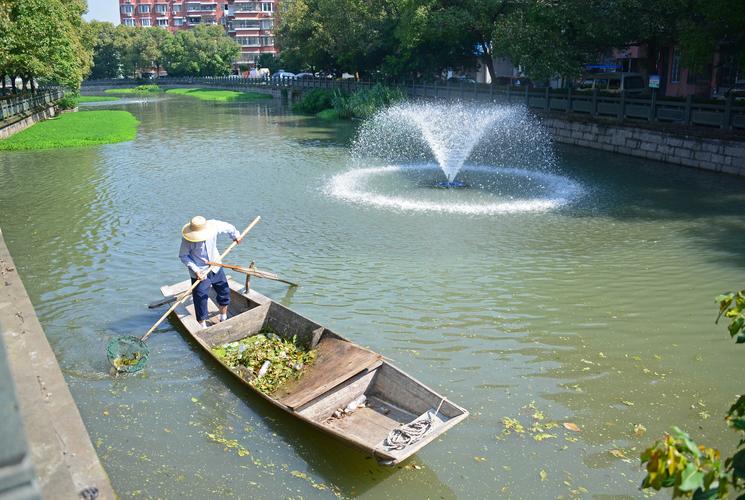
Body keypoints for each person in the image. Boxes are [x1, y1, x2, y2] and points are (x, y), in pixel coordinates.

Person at [179, 216, 242, 328]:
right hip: (200, 272)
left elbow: (228, 227)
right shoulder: (187, 239)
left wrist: (235, 235)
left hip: (215, 265)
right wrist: (196, 270)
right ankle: (202, 326)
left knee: (224, 291)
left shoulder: (213, 226)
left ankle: (223, 317)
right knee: (201, 297)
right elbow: (183, 256)